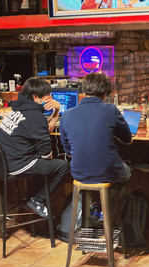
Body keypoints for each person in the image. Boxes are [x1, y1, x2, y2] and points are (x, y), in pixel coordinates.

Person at [59, 72, 133, 225]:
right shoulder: (111, 110)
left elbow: (68, 151)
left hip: (79, 173)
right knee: (127, 173)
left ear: (84, 90)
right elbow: (128, 140)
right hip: (108, 171)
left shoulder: (67, 115)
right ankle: (109, 212)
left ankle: (96, 207)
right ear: (105, 93)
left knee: (92, 173)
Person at [0, 77, 70, 220]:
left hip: (4, 163)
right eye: (48, 95)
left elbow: (45, 130)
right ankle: (37, 200)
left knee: (44, 165)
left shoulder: (18, 110)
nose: (51, 98)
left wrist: (57, 110)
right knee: (63, 166)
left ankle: (30, 198)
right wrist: (49, 159)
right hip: (17, 165)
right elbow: (46, 153)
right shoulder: (35, 116)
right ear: (36, 97)